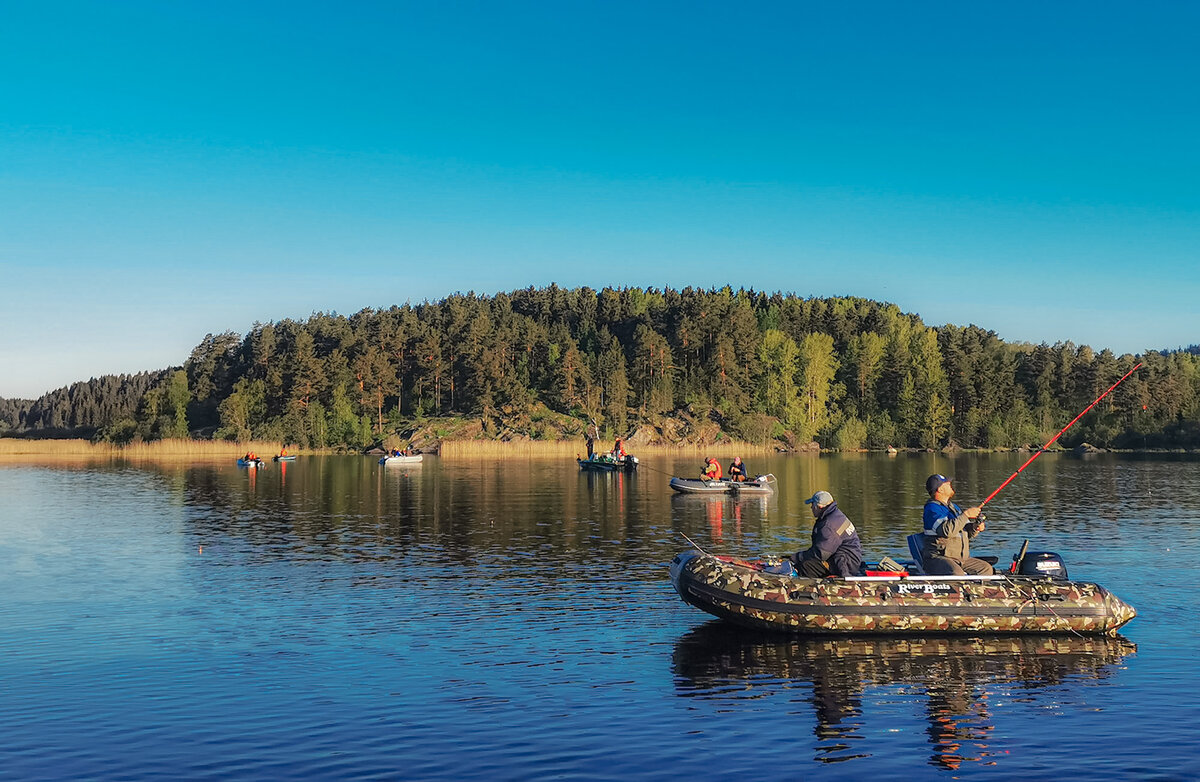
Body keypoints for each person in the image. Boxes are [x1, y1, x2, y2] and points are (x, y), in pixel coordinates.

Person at [920, 474, 993, 575]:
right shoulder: (932, 509)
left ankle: (978, 590)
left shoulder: (954, 507)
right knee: (956, 573)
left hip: (960, 558)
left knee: (986, 569)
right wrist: (966, 514)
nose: (950, 484)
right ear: (940, 489)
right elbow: (946, 531)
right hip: (939, 558)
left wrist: (975, 527)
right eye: (946, 483)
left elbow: (967, 533)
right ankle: (955, 589)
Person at [791, 490, 864, 578]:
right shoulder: (835, 514)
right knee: (807, 561)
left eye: (812, 505)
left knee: (806, 566)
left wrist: (798, 557)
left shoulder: (829, 525)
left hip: (845, 565)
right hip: (850, 560)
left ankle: (805, 587)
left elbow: (821, 553)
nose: (811, 508)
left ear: (819, 507)